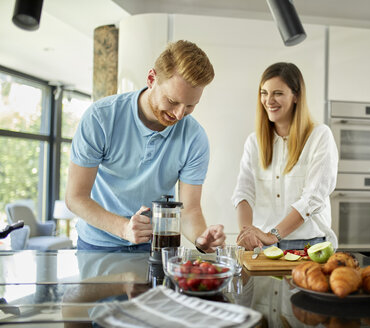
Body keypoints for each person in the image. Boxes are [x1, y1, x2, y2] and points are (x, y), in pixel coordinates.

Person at [66, 40, 225, 252]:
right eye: (172, 100)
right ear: (151, 79)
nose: (178, 114)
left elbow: (189, 210)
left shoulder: (195, 138)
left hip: (154, 246)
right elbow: (75, 197)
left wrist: (200, 239)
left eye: (190, 106)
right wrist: (124, 229)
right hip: (97, 244)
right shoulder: (100, 118)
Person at [232, 62, 338, 251]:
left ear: (296, 96)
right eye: (264, 93)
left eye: (278, 93)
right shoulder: (254, 142)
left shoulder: (320, 136)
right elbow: (244, 193)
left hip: (309, 246)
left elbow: (312, 198)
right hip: (263, 247)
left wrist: (272, 235)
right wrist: (247, 234)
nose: (269, 100)